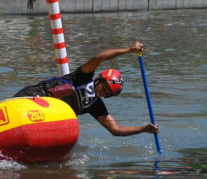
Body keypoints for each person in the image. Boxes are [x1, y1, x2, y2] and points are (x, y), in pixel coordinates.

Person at [13, 42, 159, 137]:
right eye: (105, 87)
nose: (104, 92)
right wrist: (128, 50)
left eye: (108, 93)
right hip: (34, 96)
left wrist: (144, 129)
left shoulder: (95, 105)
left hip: (45, 117)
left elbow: (116, 130)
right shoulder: (83, 77)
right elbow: (98, 58)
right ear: (99, 79)